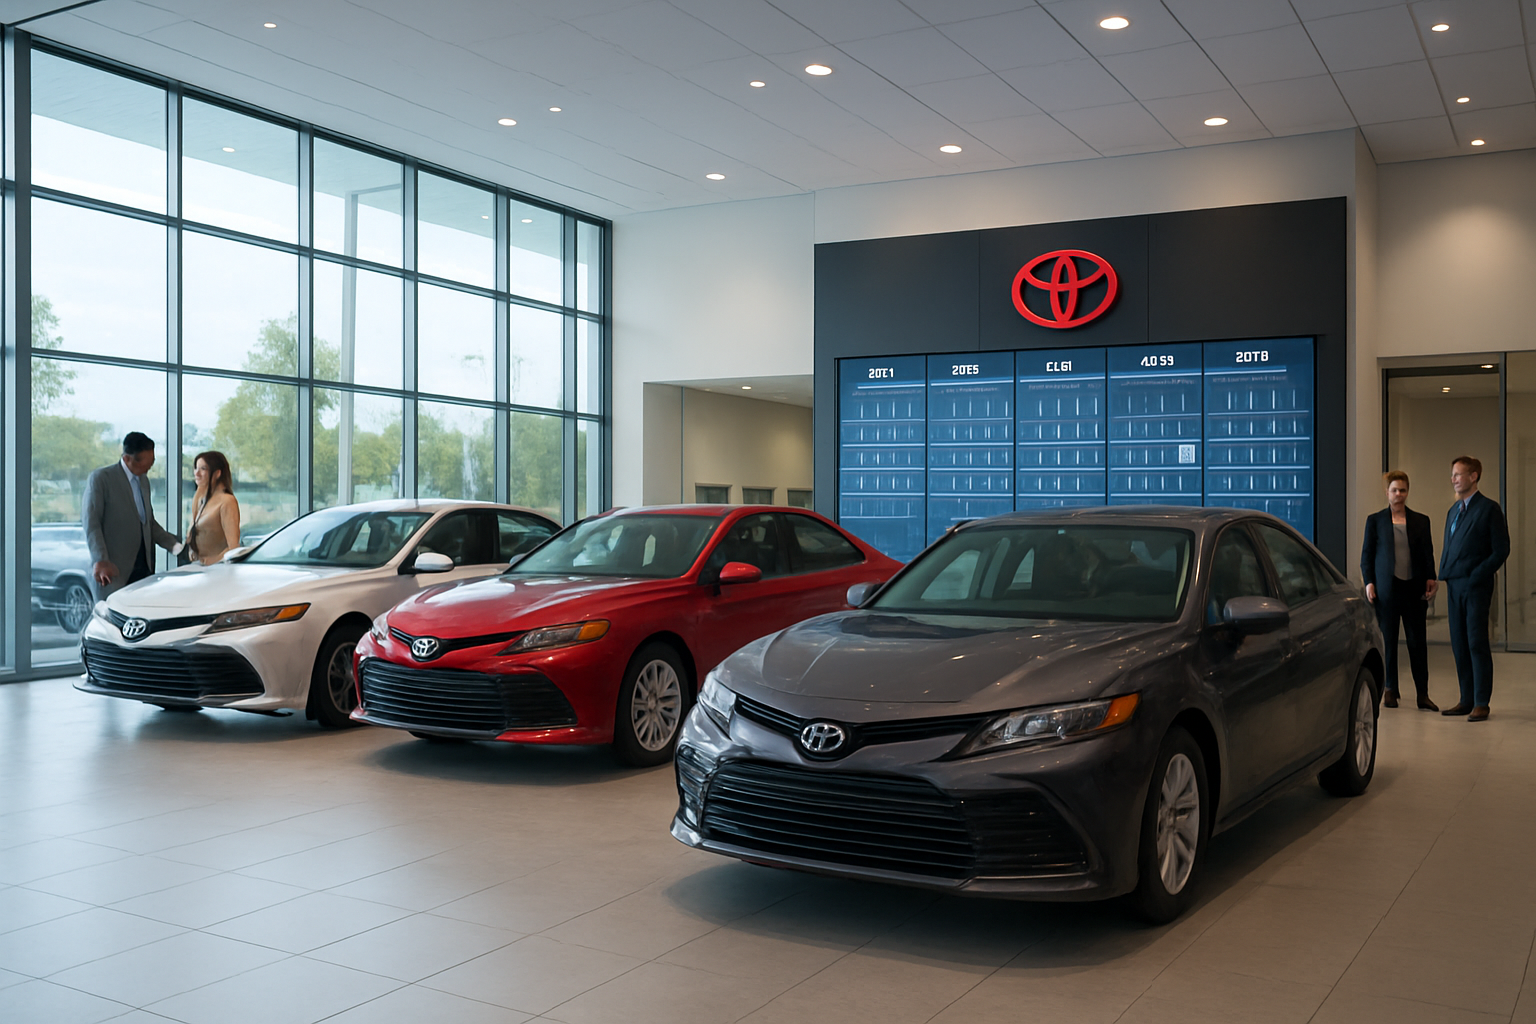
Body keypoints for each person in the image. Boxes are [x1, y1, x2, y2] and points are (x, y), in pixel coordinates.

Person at [1437, 456, 1509, 722]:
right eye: (1453, 474)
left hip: (1476, 585)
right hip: (1453, 584)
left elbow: (1501, 550)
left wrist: (1477, 574)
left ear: (1474, 476)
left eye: (1458, 474)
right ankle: (1465, 699)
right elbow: (1448, 548)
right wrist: (1441, 575)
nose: (1454, 479)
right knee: (1458, 644)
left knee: (1476, 642)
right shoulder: (1453, 511)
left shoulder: (1489, 509)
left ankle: (1481, 702)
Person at [1360, 471, 1438, 710]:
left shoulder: (1421, 521)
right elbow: (1367, 556)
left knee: (1417, 643)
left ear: (1407, 492)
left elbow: (1427, 554)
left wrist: (1431, 578)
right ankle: (1390, 689)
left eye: (1403, 490)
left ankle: (1422, 694)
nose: (1399, 494)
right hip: (1387, 591)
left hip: (1413, 589)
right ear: (1387, 493)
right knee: (1389, 643)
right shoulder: (1376, 521)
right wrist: (1369, 582)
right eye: (1394, 490)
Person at [81, 432, 181, 600]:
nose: (149, 467)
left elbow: (148, 522)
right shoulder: (102, 479)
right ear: (127, 459)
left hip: (144, 568)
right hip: (114, 570)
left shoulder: (144, 481)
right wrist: (101, 560)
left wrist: (174, 546)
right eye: (145, 463)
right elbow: (92, 523)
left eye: (152, 462)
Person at [185, 450, 241, 565]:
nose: (197, 473)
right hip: (199, 568)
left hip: (217, 570)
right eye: (196, 468)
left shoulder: (227, 501)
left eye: (203, 469)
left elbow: (233, 546)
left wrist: (213, 560)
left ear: (217, 473)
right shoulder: (201, 501)